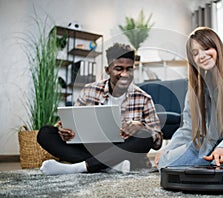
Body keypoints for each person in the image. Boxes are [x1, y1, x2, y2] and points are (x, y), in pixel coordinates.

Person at [38, 43, 163, 175]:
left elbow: (157, 141)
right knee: (45, 133)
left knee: (145, 137)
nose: (125, 74)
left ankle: (80, 167)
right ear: (107, 70)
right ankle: (110, 166)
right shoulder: (89, 90)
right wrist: (63, 131)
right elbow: (72, 121)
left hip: (123, 150)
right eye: (119, 69)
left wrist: (141, 127)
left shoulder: (144, 98)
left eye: (129, 69)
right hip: (92, 148)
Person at [156, 27, 223, 173]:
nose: (202, 55)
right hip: (205, 147)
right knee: (165, 164)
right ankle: (208, 166)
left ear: (217, 47)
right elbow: (187, 129)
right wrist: (169, 150)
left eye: (206, 48)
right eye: (195, 53)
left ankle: (209, 166)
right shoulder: (196, 89)